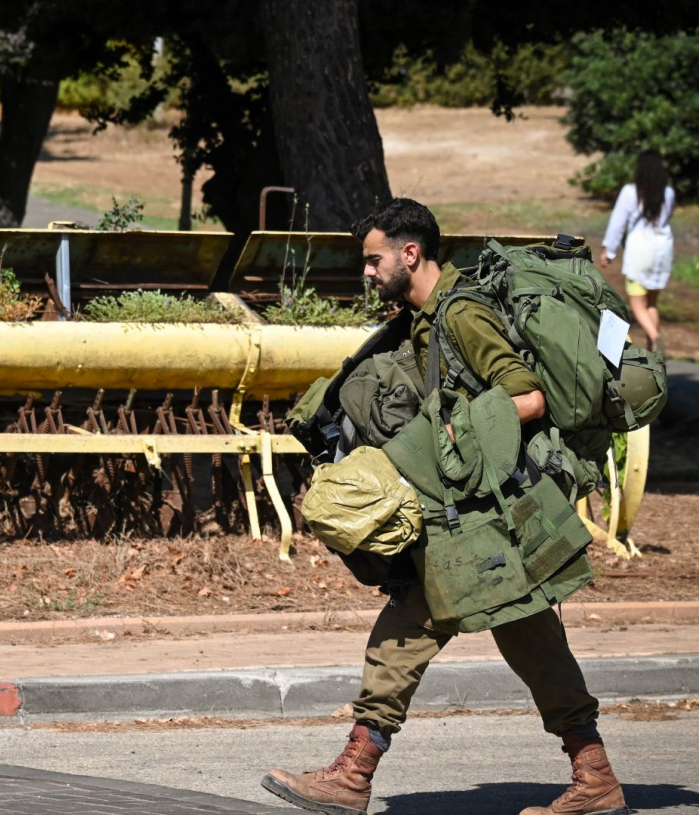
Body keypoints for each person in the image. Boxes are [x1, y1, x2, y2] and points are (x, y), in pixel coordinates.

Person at [262, 198, 628, 815]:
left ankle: (353, 774)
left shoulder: (462, 315)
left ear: (411, 254)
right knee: (531, 638)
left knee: (408, 628)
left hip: (488, 514)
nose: (369, 272)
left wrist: (450, 437)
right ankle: (594, 775)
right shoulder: (426, 316)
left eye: (375, 260)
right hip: (480, 510)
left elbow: (530, 396)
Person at [601, 149, 675, 353]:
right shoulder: (668, 193)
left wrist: (609, 250)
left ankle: (655, 336)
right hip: (663, 247)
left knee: (637, 303)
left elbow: (618, 222)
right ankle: (655, 355)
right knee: (651, 303)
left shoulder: (630, 192)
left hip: (640, 248)